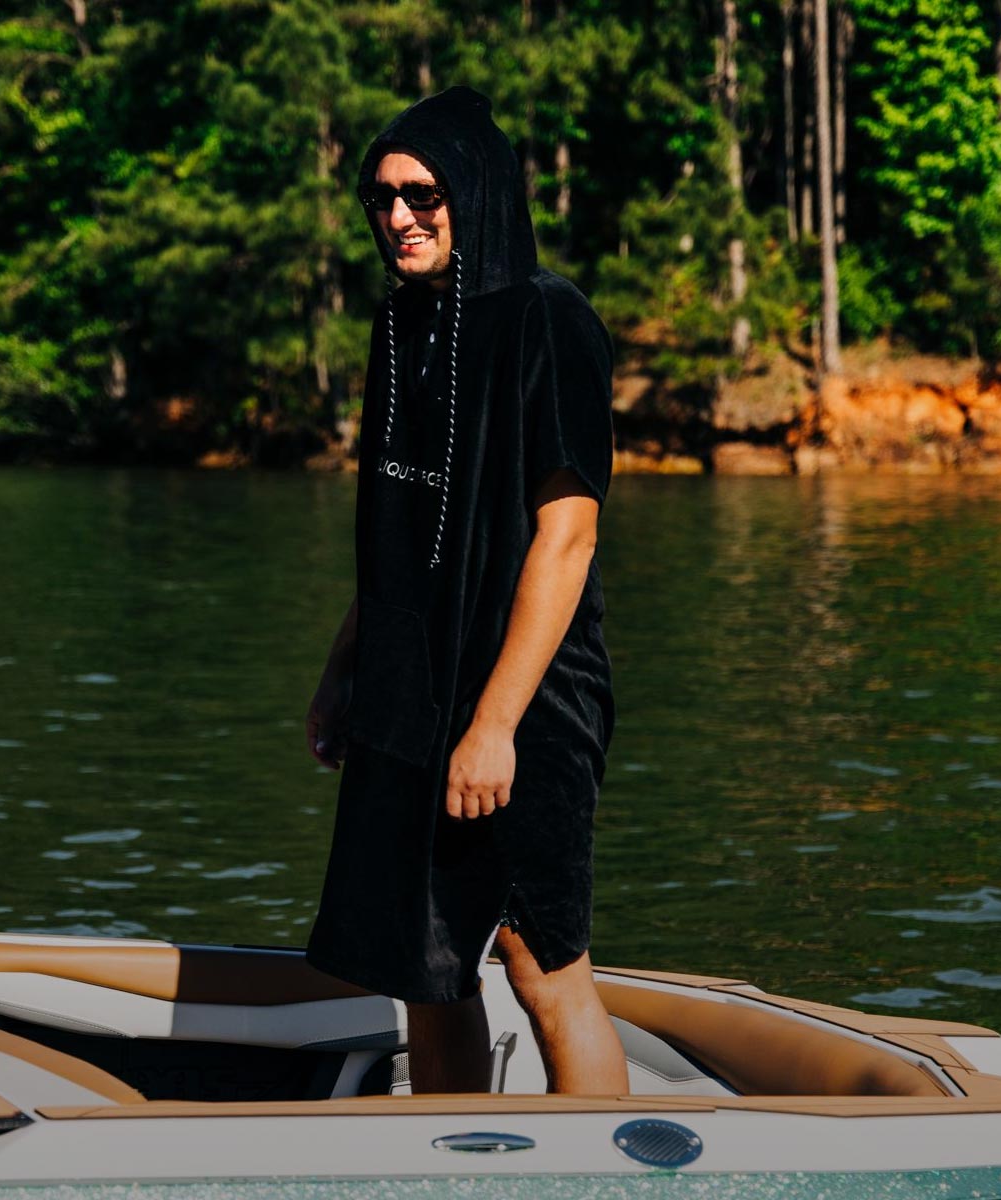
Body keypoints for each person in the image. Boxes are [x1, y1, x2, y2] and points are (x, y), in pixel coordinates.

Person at [304, 86, 629, 1096]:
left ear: (476, 196)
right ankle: (455, 1167)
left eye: (424, 194)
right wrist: (342, 672)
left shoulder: (548, 321)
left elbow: (566, 539)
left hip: (528, 697)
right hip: (409, 689)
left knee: (541, 961)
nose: (399, 216)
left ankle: (599, 1178)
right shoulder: (400, 328)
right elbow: (400, 541)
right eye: (383, 196)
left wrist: (494, 725)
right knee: (427, 968)